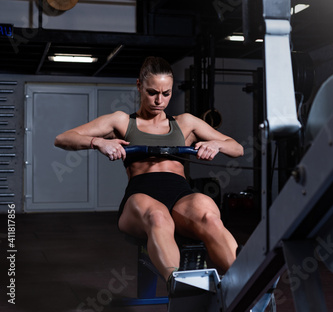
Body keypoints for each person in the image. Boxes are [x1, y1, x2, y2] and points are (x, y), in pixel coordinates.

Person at [54, 56, 244, 286]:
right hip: (141, 196)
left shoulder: (186, 123)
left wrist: (217, 144)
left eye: (166, 93)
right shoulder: (122, 122)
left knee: (209, 216)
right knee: (157, 216)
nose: (159, 100)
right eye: (153, 92)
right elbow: (63, 138)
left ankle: (246, 283)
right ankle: (181, 287)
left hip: (180, 196)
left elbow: (237, 148)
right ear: (139, 86)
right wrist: (99, 142)